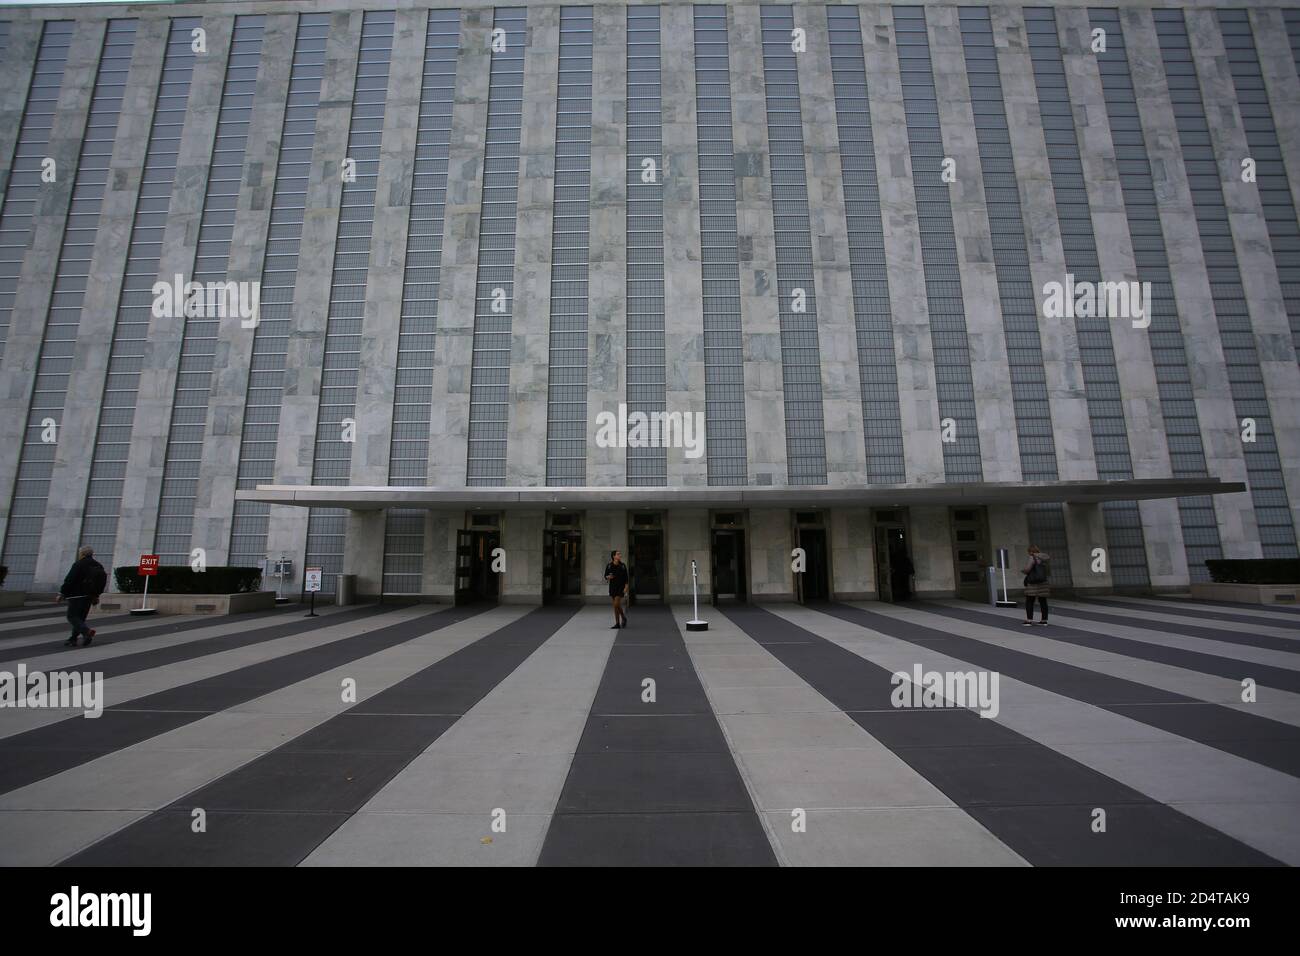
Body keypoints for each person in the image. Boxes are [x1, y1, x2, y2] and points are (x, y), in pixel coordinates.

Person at [58, 545, 107, 647]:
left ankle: (86, 632)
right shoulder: (98, 565)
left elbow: (69, 580)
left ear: (82, 554)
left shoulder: (78, 564)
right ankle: (73, 639)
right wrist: (96, 595)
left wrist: (62, 593)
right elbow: (101, 582)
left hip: (76, 595)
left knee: (72, 616)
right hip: (90, 596)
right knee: (80, 618)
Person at [1022, 545, 1050, 626]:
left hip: (1033, 582)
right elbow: (1048, 571)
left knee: (1029, 601)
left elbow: (1027, 569)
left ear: (1031, 551)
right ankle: (1044, 620)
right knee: (1043, 601)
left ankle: (1029, 620)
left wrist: (1023, 571)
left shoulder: (1032, 557)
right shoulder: (1046, 558)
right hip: (1043, 582)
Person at [604, 550, 629, 629]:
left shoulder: (622, 566)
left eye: (620, 554)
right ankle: (618, 623)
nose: (620, 555)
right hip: (612, 588)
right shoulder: (609, 566)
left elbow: (626, 578)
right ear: (614, 556)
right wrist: (608, 577)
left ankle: (623, 618)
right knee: (616, 606)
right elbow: (605, 576)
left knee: (616, 604)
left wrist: (626, 587)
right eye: (618, 554)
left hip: (621, 588)